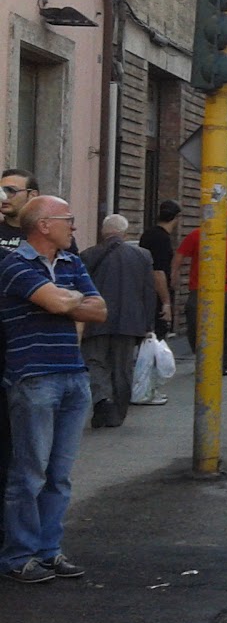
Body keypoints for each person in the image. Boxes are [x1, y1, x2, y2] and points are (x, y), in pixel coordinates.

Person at [0, 196, 105, 583]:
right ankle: (19, 556)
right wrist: (68, 300)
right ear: (44, 225)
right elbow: (60, 303)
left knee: (59, 476)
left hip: (73, 374)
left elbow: (99, 310)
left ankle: (49, 551)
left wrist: (63, 301)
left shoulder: (72, 262)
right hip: (34, 377)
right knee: (29, 475)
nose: (73, 226)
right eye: (67, 219)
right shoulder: (13, 264)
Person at [79, 215, 158, 429]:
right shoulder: (142, 256)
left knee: (95, 362)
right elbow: (148, 292)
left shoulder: (88, 255)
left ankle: (102, 400)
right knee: (122, 368)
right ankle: (118, 411)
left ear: (103, 232)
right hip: (130, 322)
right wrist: (148, 324)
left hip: (96, 319)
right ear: (125, 233)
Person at [173, 202, 227, 373]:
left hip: (226, 288)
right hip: (199, 287)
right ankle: (201, 356)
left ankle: (223, 362)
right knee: (194, 319)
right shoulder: (198, 235)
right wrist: (175, 274)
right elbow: (180, 255)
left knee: (225, 326)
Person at [138, 199, 180, 340]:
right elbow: (158, 272)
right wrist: (166, 302)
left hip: (145, 293)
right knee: (157, 337)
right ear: (176, 218)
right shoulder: (162, 239)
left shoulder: (148, 234)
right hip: (156, 297)